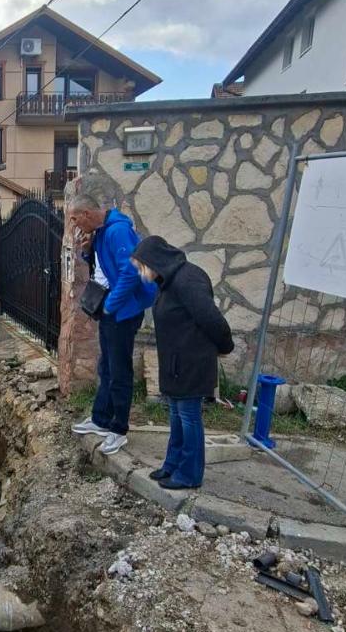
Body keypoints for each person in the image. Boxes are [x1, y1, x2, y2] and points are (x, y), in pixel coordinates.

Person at [131, 235, 234, 491]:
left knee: (188, 417)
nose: (141, 273)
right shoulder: (168, 281)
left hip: (191, 362)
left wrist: (225, 346)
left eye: (141, 267)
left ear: (154, 261)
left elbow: (211, 318)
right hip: (175, 362)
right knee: (177, 414)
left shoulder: (188, 280)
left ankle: (189, 474)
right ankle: (173, 464)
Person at [67, 191, 156, 456]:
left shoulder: (117, 232)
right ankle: (101, 418)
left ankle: (118, 430)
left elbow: (131, 273)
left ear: (86, 214)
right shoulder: (102, 231)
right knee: (106, 365)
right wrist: (86, 252)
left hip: (122, 312)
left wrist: (110, 305)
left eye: (75, 219)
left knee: (119, 371)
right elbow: (105, 269)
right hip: (113, 311)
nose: (75, 226)